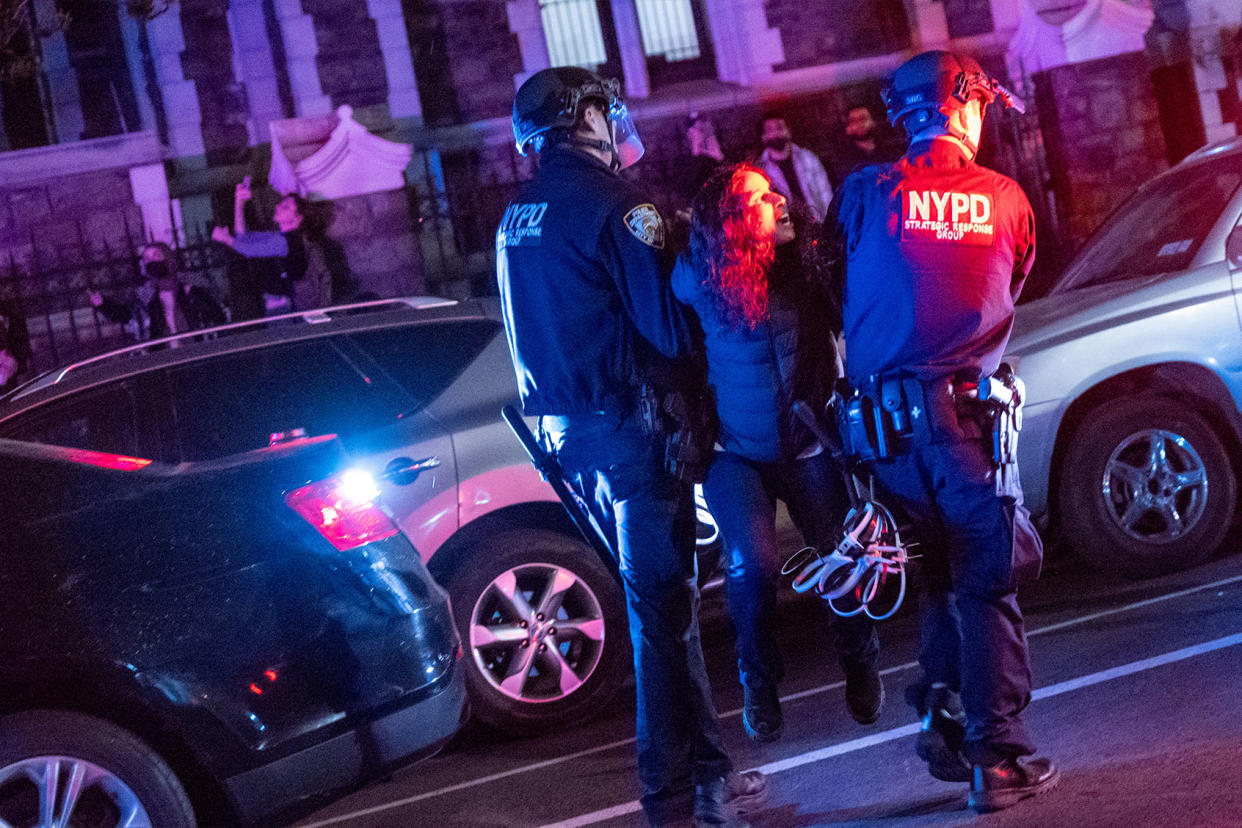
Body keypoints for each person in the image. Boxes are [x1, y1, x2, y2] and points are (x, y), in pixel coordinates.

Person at [496, 66, 766, 828]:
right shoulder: (621, 207)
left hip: (569, 445)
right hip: (632, 434)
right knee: (659, 620)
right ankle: (676, 801)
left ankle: (707, 774)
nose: (619, 126)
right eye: (608, 112)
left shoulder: (516, 213)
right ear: (584, 117)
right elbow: (669, 333)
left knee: (663, 612)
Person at [823, 50, 1059, 813]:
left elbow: (835, 286)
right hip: (967, 426)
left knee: (931, 580)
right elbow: (1011, 282)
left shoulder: (863, 191)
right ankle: (998, 759)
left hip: (883, 437)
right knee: (987, 586)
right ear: (964, 108)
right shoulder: (1008, 198)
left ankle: (942, 708)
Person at [671, 164, 882, 744]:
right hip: (736, 453)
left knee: (842, 558)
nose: (781, 200)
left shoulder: (809, 267)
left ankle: (859, 658)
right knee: (753, 568)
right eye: (762, 198)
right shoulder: (701, 277)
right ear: (735, 223)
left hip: (808, 440)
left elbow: (859, 307)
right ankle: (758, 683)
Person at [90, 242, 226, 341]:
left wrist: (194, 295)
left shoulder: (192, 285)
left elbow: (217, 313)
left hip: (199, 349)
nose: (152, 261)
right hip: (165, 356)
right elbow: (126, 315)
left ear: (168, 258)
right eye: (147, 259)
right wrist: (103, 304)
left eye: (157, 255)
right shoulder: (145, 295)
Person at [756, 112, 833, 222]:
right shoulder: (761, 171)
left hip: (817, 223)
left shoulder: (808, 158)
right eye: (770, 130)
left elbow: (825, 193)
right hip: (788, 232)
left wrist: (830, 222)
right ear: (763, 137)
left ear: (788, 131)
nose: (776, 133)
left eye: (779, 127)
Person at [829, 104, 904, 188]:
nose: (859, 123)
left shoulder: (891, 152)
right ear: (848, 128)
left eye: (863, 118)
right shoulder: (843, 160)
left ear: (873, 122)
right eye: (854, 121)